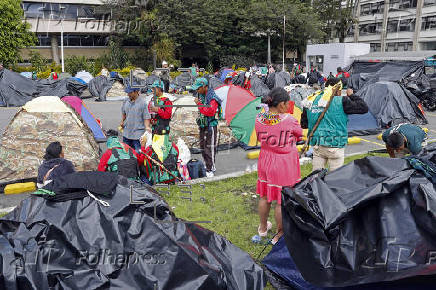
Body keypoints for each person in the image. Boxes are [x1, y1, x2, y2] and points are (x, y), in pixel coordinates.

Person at [254, 87, 303, 245]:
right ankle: (279, 234)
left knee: (265, 196)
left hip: (265, 159)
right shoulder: (289, 120)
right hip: (282, 163)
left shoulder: (259, 117)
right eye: (287, 103)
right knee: (280, 201)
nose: (289, 106)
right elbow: (299, 134)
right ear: (281, 104)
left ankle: (262, 228)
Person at [301, 79, 368, 171]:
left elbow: (304, 124)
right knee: (335, 178)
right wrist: (352, 95)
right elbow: (363, 108)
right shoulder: (342, 101)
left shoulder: (311, 100)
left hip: (318, 145)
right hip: (335, 145)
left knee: (315, 178)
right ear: (338, 90)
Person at [192, 77, 222, 177]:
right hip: (202, 125)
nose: (197, 90)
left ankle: (211, 168)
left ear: (205, 87)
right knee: (202, 147)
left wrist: (199, 104)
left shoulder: (213, 98)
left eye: (198, 88)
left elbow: (210, 112)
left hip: (210, 126)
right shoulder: (200, 94)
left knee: (210, 148)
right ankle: (207, 165)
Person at [120, 86, 152, 153]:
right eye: (128, 92)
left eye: (130, 93)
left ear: (136, 92)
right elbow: (124, 113)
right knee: (126, 153)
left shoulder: (142, 103)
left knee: (137, 154)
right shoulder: (126, 101)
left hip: (137, 135)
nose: (128, 94)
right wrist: (122, 121)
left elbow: (146, 117)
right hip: (127, 133)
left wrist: (147, 127)